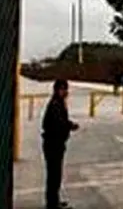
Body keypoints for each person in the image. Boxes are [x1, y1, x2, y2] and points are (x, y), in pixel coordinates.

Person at [43, 79, 79, 209]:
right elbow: (57, 123)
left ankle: (54, 200)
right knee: (54, 175)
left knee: (55, 175)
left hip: (56, 143)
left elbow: (62, 121)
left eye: (66, 89)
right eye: (63, 89)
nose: (66, 92)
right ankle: (52, 203)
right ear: (58, 90)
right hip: (53, 144)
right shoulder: (55, 105)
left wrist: (70, 125)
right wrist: (69, 126)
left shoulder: (58, 103)